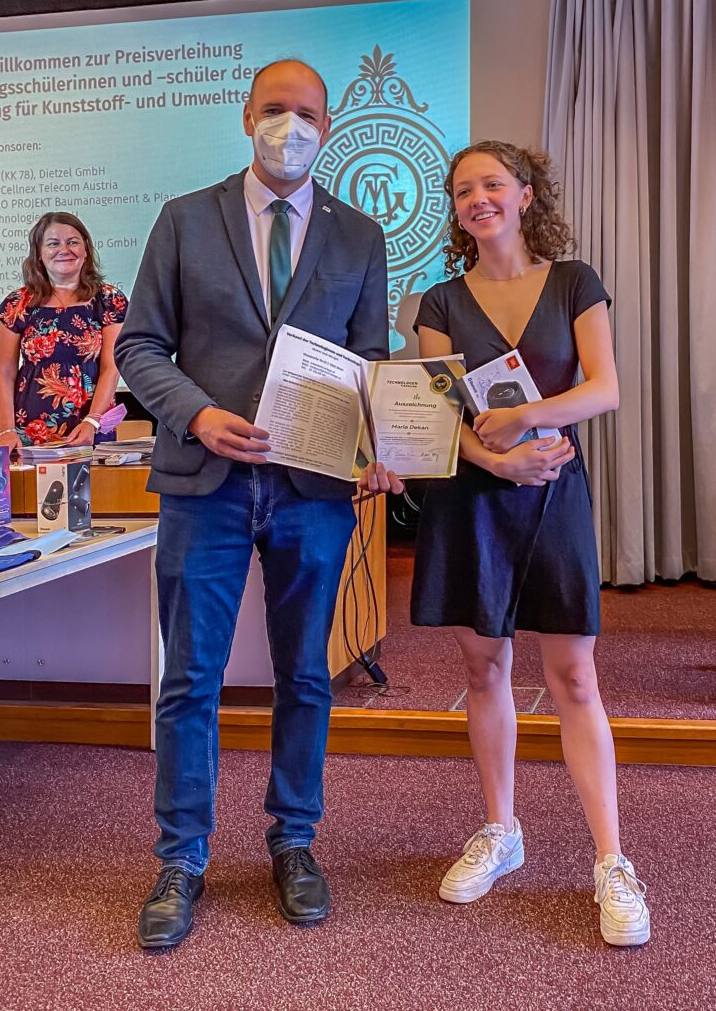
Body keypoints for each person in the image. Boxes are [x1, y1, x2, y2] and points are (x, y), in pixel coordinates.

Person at [114, 59, 389, 950]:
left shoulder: (361, 235)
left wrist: (388, 440)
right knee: (190, 678)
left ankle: (294, 841)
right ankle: (181, 857)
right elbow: (139, 346)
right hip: (207, 483)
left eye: (307, 113)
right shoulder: (183, 219)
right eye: (275, 109)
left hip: (313, 491)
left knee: (306, 675)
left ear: (329, 126)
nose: (290, 126)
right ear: (245, 116)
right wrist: (198, 412)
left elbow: (370, 361)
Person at [411, 141, 650, 947]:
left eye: (492, 184)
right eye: (462, 191)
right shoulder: (439, 302)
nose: (477, 198)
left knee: (574, 676)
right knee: (484, 669)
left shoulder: (575, 281)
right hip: (474, 498)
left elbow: (604, 389)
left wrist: (524, 418)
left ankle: (611, 860)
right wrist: (498, 459)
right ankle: (501, 830)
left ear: (524, 194)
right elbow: (439, 412)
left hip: (555, 495)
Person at [0, 212, 126, 453]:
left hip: (90, 426)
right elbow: (3, 373)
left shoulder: (108, 300)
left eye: (72, 242)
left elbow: (111, 367)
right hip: (30, 429)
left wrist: (93, 420)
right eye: (53, 243)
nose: (64, 250)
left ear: (86, 250)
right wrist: (5, 430)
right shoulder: (16, 304)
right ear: (39, 254)